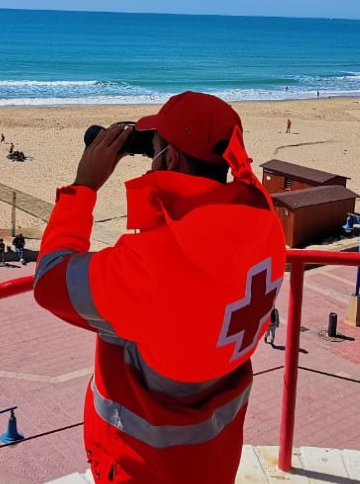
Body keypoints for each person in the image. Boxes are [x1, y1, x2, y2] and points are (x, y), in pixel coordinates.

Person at [33, 91, 285, 483]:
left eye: (154, 149)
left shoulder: (151, 264)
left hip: (143, 464)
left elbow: (49, 281)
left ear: (169, 159)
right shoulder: (262, 223)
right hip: (216, 455)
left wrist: (84, 186)